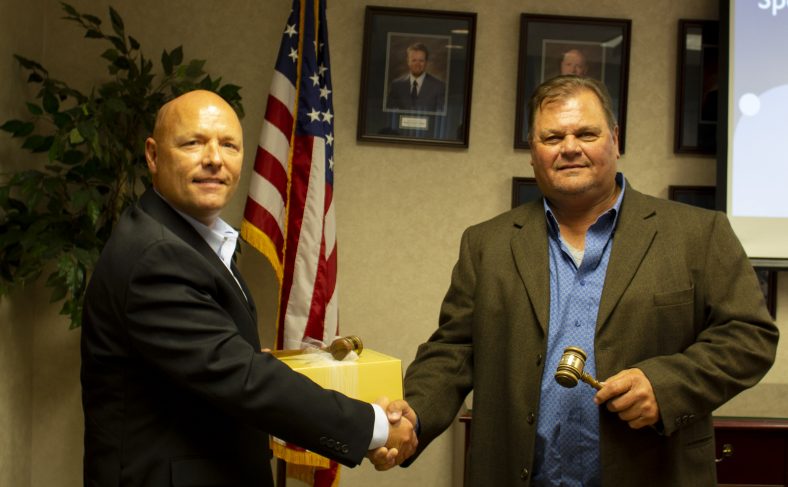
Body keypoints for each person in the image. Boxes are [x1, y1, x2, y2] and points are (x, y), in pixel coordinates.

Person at [378, 75, 779, 485]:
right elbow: (454, 351)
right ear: (533, 152)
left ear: (615, 140)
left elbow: (750, 336)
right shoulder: (487, 243)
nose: (570, 148)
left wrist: (665, 386)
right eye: (552, 137)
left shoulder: (698, 233)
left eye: (586, 133)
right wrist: (414, 414)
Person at [80, 90, 416, 486]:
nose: (214, 160)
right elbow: (243, 378)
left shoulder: (191, 240)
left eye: (228, 145)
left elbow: (218, 363)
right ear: (153, 155)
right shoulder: (157, 256)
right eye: (193, 143)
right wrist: (374, 425)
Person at [386, 42, 446, 112]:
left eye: (421, 61)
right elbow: (389, 113)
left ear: (426, 62)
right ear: (408, 61)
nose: (417, 64)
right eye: (414, 60)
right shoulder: (396, 85)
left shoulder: (438, 86)